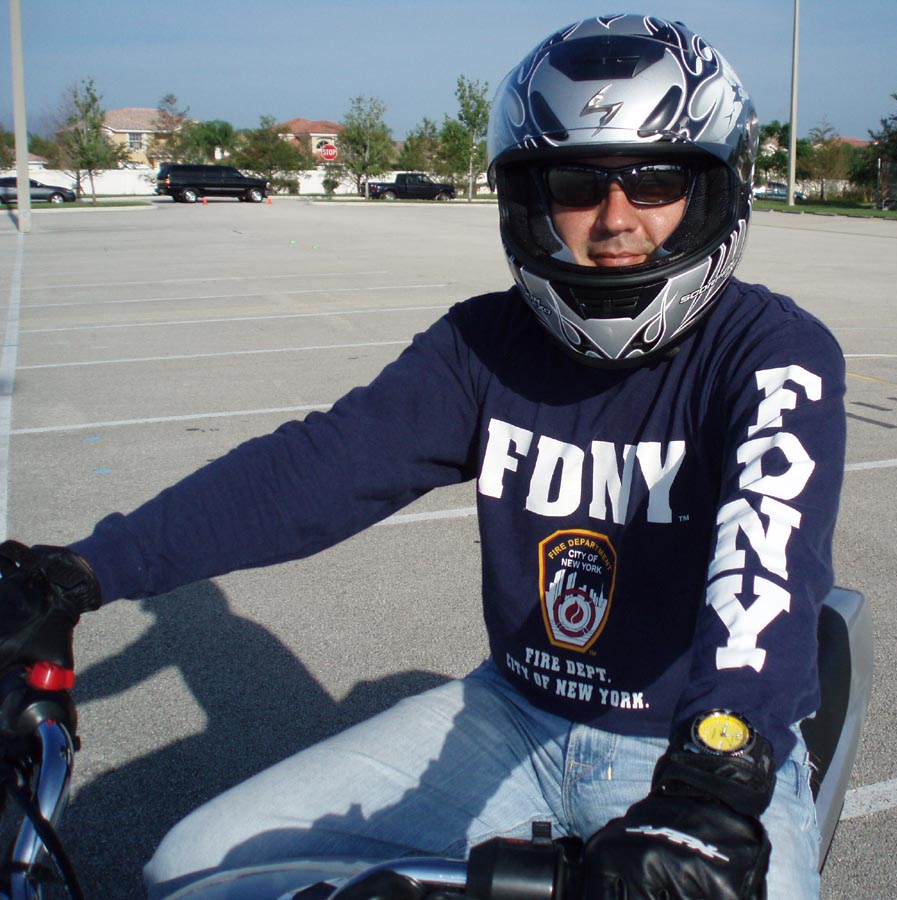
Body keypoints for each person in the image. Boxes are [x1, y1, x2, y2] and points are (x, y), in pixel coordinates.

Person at [0, 14, 845, 900]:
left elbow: (769, 568)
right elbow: (312, 473)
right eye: (575, 183)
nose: (615, 220)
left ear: (712, 190)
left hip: (694, 751)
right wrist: (76, 575)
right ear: (529, 200)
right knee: (193, 867)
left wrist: (716, 779)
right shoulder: (484, 344)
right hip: (514, 714)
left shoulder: (773, 354)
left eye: (656, 180)